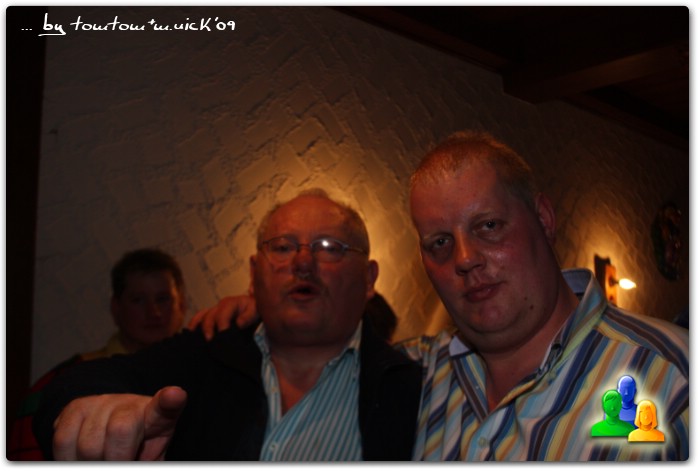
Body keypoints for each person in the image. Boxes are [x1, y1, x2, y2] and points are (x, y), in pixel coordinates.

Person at [194, 131, 689, 461]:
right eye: (439, 243)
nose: (465, 258)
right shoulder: (414, 375)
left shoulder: (672, 376)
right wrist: (268, 311)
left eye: (488, 226)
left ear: (543, 219)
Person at [33, 190, 421, 461]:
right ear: (253, 275)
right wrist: (90, 412)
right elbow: (78, 384)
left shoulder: (411, 390)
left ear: (369, 279)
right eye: (282, 247)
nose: (303, 263)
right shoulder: (207, 352)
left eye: (329, 248)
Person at [8, 248, 187, 461]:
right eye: (138, 300)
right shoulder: (58, 384)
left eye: (163, 299)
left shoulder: (203, 382)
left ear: (182, 305)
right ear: (116, 308)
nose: (153, 312)